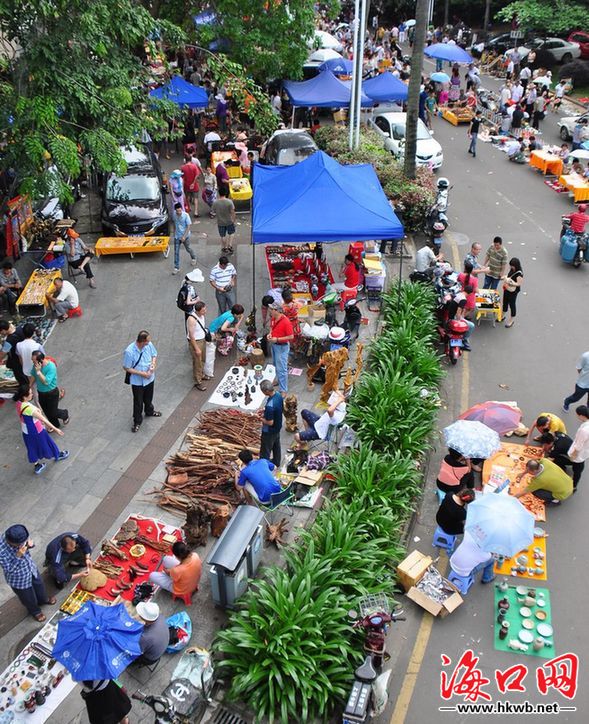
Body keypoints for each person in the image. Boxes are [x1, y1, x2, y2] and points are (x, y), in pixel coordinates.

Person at [0, 524, 57, 621]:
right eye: (21, 543)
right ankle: (35, 611)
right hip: (19, 578)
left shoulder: (20, 536)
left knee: (40, 586)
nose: (23, 544)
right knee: (28, 597)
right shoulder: (2, 550)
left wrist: (30, 545)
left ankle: (44, 600)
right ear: (12, 542)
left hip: (30, 568)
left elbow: (29, 543)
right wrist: (18, 556)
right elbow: (9, 569)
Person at [14, 384, 68, 474]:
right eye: (30, 393)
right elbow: (44, 419)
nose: (32, 395)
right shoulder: (29, 409)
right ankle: (57, 454)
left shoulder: (19, 403)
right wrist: (56, 429)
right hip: (36, 430)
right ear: (24, 396)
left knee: (31, 448)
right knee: (48, 442)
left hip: (26, 431)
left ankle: (37, 465)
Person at [122, 330, 161, 433]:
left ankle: (149, 411)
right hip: (137, 381)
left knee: (149, 397)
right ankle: (137, 421)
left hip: (150, 378)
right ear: (142, 341)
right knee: (138, 402)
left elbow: (154, 354)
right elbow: (127, 367)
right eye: (147, 341)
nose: (149, 342)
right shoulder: (130, 351)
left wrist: (153, 364)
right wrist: (143, 374)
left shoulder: (149, 345)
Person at [31, 351, 69, 427]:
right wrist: (29, 386)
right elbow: (33, 375)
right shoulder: (35, 366)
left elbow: (46, 382)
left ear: (40, 361)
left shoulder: (51, 367)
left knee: (53, 412)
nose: (32, 362)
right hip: (41, 393)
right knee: (46, 411)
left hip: (51, 393)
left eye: (34, 360)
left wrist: (38, 372)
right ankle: (55, 425)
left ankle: (64, 414)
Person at [268, 303, 293, 394]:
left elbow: (291, 337)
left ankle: (283, 390)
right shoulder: (273, 318)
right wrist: (270, 334)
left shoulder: (286, 322)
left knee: (282, 368)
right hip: (274, 345)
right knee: (275, 364)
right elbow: (271, 327)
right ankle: (278, 380)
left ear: (277, 311)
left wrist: (277, 339)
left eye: (272, 309)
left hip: (282, 347)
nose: (270, 310)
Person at [260, 379, 283, 466]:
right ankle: (276, 462)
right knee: (276, 445)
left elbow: (270, 422)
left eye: (262, 391)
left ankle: (264, 466)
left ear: (266, 391)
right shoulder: (278, 395)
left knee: (265, 450)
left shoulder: (270, 406)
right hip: (278, 426)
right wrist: (264, 410)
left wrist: (260, 418)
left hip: (269, 431)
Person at [565, 405, 589, 489]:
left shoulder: (584, 430)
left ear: (582, 415)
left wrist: (573, 456)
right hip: (585, 450)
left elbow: (578, 446)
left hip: (579, 453)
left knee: (577, 467)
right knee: (579, 465)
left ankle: (574, 485)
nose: (577, 416)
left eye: (577, 415)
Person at [186, 301, 208, 391]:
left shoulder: (201, 316)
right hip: (196, 342)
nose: (205, 311)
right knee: (197, 362)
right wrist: (196, 348)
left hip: (202, 340)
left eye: (205, 309)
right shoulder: (192, 319)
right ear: (198, 311)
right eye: (203, 310)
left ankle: (201, 374)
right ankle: (198, 381)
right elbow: (191, 335)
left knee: (203, 359)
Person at [0, 319, 28, 385]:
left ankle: (26, 391)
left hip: (17, 361)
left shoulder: (9, 341)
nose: (1, 334)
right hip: (26, 356)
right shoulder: (20, 329)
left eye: (0, 332)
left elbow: (2, 355)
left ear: (3, 330)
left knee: (22, 379)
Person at [172, 202, 197, 275]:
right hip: (177, 236)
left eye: (180, 211)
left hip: (185, 236)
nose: (179, 212)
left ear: (181, 209)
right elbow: (174, 223)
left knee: (188, 248)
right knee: (176, 252)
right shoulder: (174, 214)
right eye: (177, 211)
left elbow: (188, 226)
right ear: (175, 211)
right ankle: (176, 267)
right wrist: (174, 232)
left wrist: (184, 236)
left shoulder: (186, 215)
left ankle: (193, 257)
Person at [212, 188, 236, 255]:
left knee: (222, 235)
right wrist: (233, 220)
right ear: (225, 193)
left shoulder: (215, 202)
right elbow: (233, 212)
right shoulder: (229, 202)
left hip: (220, 222)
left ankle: (225, 247)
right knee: (231, 233)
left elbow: (213, 211)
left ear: (219, 193)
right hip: (229, 221)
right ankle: (230, 246)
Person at [500, 257, 523, 328]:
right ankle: (502, 316)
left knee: (512, 305)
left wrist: (511, 283)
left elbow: (519, 284)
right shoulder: (512, 269)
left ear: (516, 265)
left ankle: (511, 320)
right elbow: (509, 276)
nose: (510, 267)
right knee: (505, 302)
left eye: (512, 265)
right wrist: (505, 277)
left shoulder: (519, 274)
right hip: (507, 289)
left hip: (513, 291)